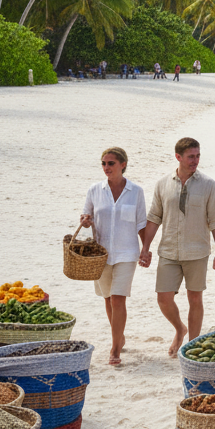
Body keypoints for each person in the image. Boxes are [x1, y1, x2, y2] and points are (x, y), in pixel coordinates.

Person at [141, 137, 215, 357]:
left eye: (198, 156)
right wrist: (145, 247)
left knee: (195, 298)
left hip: (197, 252)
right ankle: (180, 329)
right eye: (191, 157)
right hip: (168, 250)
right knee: (163, 297)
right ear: (178, 157)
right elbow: (154, 218)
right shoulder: (162, 184)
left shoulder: (208, 184)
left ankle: (193, 345)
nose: (195, 161)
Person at [79, 147, 148, 366]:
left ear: (123, 164)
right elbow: (86, 216)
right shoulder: (95, 190)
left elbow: (141, 224)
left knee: (118, 298)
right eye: (104, 163)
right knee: (108, 299)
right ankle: (119, 336)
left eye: (111, 163)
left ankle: (115, 347)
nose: (106, 167)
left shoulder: (136, 191)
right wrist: (86, 221)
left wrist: (146, 249)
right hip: (101, 254)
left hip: (127, 253)